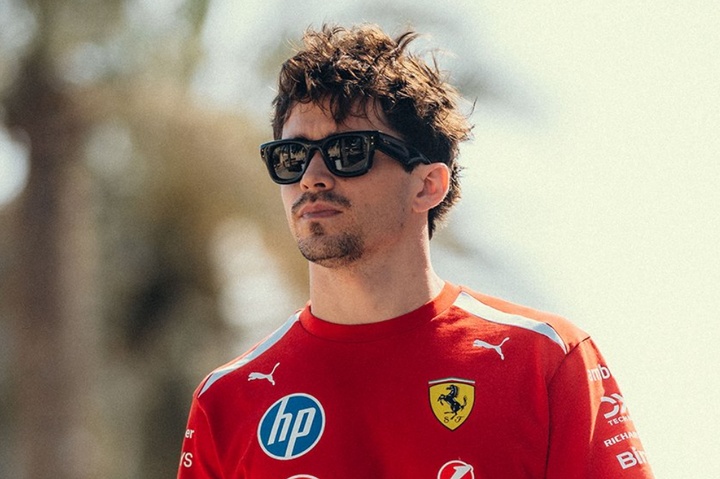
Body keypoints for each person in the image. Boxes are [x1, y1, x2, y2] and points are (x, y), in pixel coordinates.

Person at [177, 24, 654, 479]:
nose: (312, 177)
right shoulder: (226, 401)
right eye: (292, 158)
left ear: (427, 185)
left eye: (349, 152)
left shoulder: (546, 358)